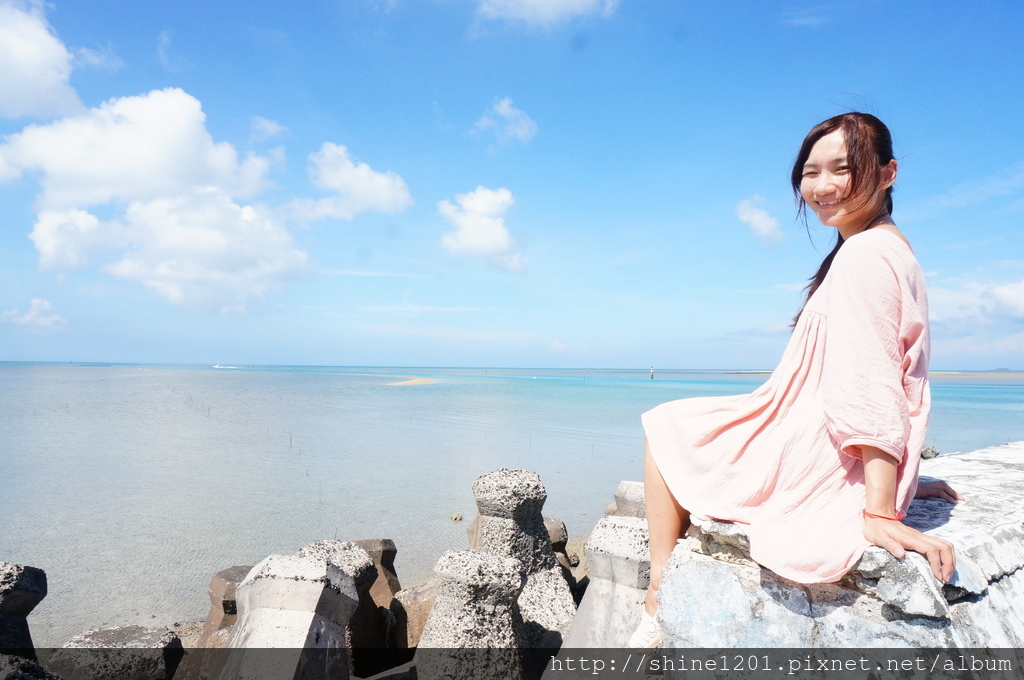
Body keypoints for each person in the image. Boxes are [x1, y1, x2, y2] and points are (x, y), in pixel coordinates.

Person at [628, 113, 964, 649]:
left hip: (825, 444)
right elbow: (898, 374)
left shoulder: (864, 256)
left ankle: (661, 582)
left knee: (668, 425)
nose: (822, 186)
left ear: (888, 172)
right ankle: (663, 581)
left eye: (843, 169)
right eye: (811, 171)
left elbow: (871, 380)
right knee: (685, 425)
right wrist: (903, 476)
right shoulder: (889, 246)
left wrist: (879, 507)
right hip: (845, 450)